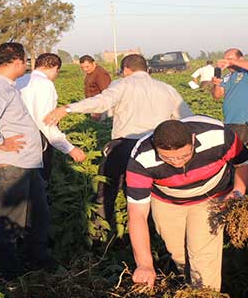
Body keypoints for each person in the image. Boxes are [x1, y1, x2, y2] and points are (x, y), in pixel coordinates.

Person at [44, 54, 192, 239]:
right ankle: (156, 234)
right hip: (156, 147)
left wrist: (67, 109)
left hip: (125, 145)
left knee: (107, 187)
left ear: (126, 70)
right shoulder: (167, 89)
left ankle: (102, 234)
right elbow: (186, 119)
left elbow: (101, 102)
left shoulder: (122, 84)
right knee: (153, 191)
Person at [125, 116, 248, 290]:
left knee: (202, 256)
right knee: (178, 253)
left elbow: (245, 164)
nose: (178, 162)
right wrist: (144, 265)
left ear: (193, 139)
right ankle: (189, 288)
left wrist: (237, 192)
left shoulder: (217, 136)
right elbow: (137, 214)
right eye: (168, 158)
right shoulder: (142, 157)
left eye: (184, 155)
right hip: (168, 201)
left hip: (212, 197)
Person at [0, 42, 54, 280]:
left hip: (25, 165)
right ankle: (11, 277)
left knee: (38, 217)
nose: (27, 65)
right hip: (8, 165)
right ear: (17, 61)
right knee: (11, 222)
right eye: (26, 61)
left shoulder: (6, 86)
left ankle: (38, 267)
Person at [16, 53, 86, 181]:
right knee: (39, 185)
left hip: (16, 140)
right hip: (36, 142)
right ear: (54, 68)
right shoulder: (45, 84)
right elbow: (45, 122)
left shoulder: (20, 80)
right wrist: (70, 148)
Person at [212, 48, 248, 144]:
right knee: (232, 152)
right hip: (229, 119)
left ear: (241, 59)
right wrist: (216, 84)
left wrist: (230, 62)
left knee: (235, 152)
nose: (227, 61)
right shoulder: (227, 77)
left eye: (230, 58)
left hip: (243, 121)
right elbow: (217, 96)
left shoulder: (247, 73)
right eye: (225, 59)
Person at [79, 55, 112, 121]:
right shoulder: (91, 72)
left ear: (93, 63)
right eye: (82, 67)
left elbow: (106, 93)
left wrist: (99, 110)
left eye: (87, 66)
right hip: (94, 105)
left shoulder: (100, 74)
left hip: (101, 108)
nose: (85, 69)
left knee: (102, 127)